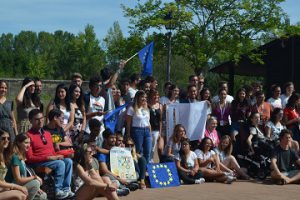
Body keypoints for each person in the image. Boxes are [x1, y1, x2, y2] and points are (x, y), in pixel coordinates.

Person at [25, 109, 74, 199]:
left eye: (42, 118)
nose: (40, 121)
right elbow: (30, 158)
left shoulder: (47, 134)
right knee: (60, 163)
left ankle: (66, 189)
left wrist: (58, 156)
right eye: (37, 119)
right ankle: (58, 190)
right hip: (38, 162)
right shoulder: (28, 135)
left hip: (50, 160)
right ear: (30, 121)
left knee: (68, 161)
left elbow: (52, 152)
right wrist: (49, 158)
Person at [5, 134, 47, 200]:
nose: (28, 145)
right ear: (19, 143)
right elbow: (18, 180)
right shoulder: (15, 158)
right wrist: (34, 177)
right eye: (26, 143)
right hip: (12, 188)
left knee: (42, 196)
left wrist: (36, 189)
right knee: (36, 183)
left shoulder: (22, 156)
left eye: (29, 143)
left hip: (20, 186)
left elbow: (23, 177)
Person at [0, 129, 28, 200]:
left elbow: (2, 179)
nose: (6, 140)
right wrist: (16, 187)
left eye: (8, 138)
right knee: (20, 196)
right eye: (3, 138)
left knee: (22, 194)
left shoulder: (5, 155)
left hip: (3, 188)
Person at [126, 90, 152, 163]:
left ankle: (146, 168)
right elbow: (128, 123)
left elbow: (148, 122)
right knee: (137, 151)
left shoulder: (146, 109)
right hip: (137, 131)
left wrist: (150, 132)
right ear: (137, 98)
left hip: (147, 130)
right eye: (142, 97)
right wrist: (128, 134)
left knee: (148, 151)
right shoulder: (132, 108)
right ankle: (137, 168)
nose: (144, 98)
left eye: (145, 97)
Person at [148, 89, 163, 162]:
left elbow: (161, 120)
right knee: (149, 147)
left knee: (154, 147)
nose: (156, 96)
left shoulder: (160, 105)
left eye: (157, 95)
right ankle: (150, 161)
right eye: (154, 95)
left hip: (157, 130)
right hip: (149, 129)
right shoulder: (147, 105)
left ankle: (152, 160)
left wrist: (160, 132)